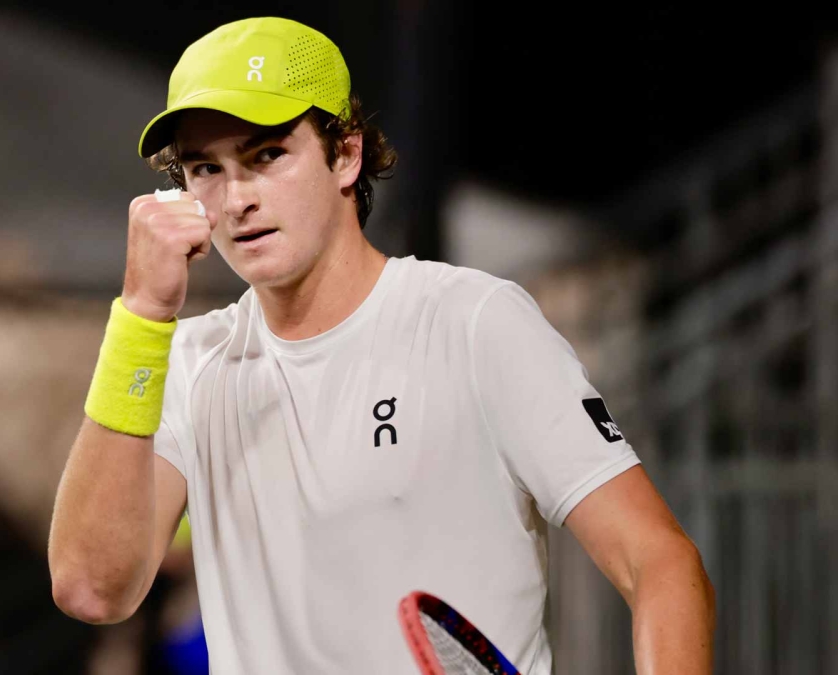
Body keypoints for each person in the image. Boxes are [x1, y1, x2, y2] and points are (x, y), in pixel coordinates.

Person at [49, 16, 714, 674]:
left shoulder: (474, 323)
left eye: (267, 155)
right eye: (205, 169)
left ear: (347, 154)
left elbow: (658, 561)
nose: (237, 199)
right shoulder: (188, 362)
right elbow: (91, 586)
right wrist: (141, 315)